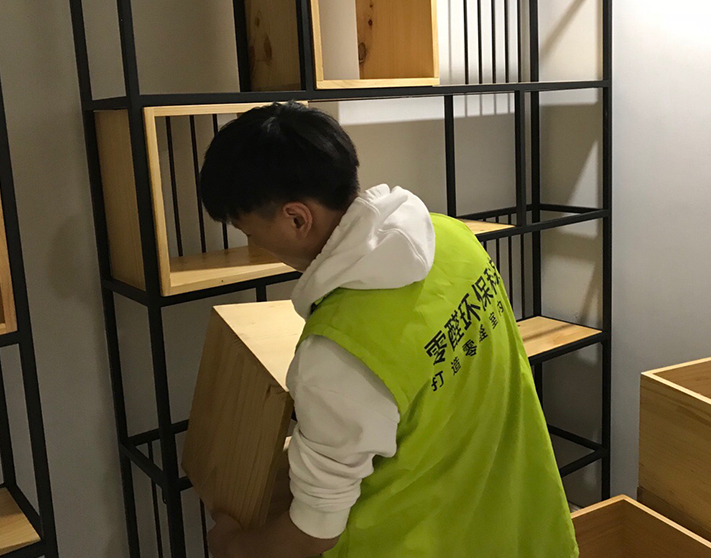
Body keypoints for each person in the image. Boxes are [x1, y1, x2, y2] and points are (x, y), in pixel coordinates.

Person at [199, 101, 578, 558]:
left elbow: (313, 533)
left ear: (296, 218)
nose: (253, 243)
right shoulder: (451, 238)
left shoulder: (335, 354)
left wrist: (233, 545)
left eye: (248, 230)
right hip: (522, 526)